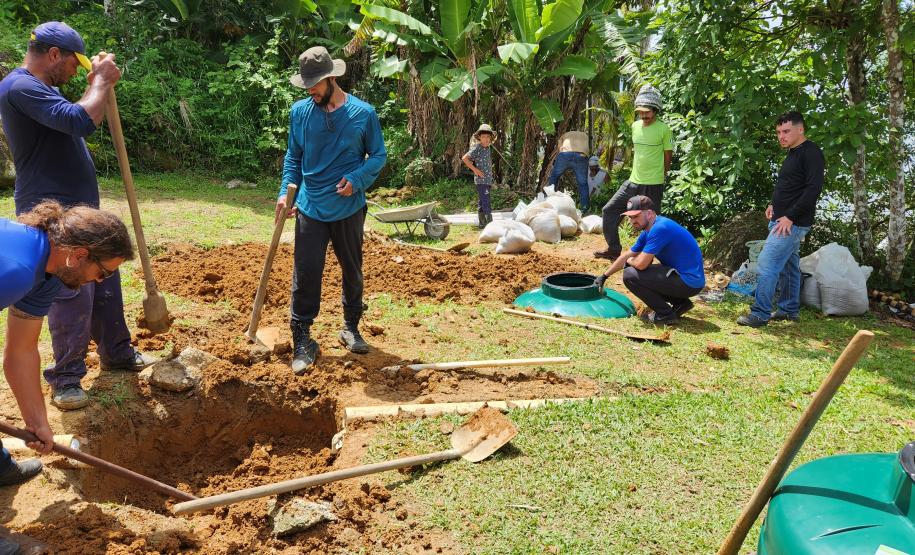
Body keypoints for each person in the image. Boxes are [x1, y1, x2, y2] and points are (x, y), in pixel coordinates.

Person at [0, 21, 155, 412]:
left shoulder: (46, 89)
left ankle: (116, 351)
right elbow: (79, 120)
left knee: (103, 275)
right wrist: (99, 79)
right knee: (69, 288)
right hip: (52, 210)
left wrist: (99, 87)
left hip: (79, 205)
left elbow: (87, 117)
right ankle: (66, 376)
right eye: (73, 64)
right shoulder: (19, 87)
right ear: (54, 55)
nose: (75, 72)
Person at [0, 202, 133, 555]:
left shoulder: (48, 275)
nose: (100, 281)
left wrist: (38, 422)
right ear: (79, 255)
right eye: (103, 272)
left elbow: (22, 352)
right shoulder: (17, 269)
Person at [278, 46, 387, 375]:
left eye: (315, 84)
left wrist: (357, 179)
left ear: (332, 78)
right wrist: (286, 192)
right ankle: (303, 340)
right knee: (306, 274)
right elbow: (293, 158)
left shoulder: (362, 113)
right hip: (310, 206)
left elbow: (378, 156)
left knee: (352, 271)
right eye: (306, 85)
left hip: (349, 207)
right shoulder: (300, 113)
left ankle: (351, 327)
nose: (310, 90)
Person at [737, 112, 824, 327]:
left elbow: (813, 189)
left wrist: (790, 217)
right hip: (781, 219)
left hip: (791, 223)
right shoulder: (793, 153)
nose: (781, 136)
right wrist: (774, 206)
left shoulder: (811, 153)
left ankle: (760, 314)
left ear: (800, 129)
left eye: (786, 131)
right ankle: (788, 310)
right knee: (789, 267)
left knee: (767, 264)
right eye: (778, 132)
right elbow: (792, 187)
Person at [595, 195, 705, 325]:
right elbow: (627, 254)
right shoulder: (648, 231)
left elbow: (641, 265)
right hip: (684, 278)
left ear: (650, 213)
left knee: (631, 275)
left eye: (636, 216)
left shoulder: (660, 228)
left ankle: (665, 315)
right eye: (630, 217)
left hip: (689, 282)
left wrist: (630, 261)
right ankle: (681, 303)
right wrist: (604, 276)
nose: (632, 221)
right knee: (639, 271)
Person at [596, 84, 673, 259]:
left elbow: (667, 154)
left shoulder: (664, 129)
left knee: (652, 223)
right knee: (609, 210)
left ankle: (650, 256)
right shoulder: (635, 126)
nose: (644, 115)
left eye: (647, 111)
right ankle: (614, 249)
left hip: (653, 183)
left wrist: (664, 174)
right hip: (633, 181)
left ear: (655, 110)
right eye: (640, 111)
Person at [461, 124, 496, 228]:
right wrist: (475, 170)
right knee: (486, 201)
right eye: (483, 137)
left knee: (482, 202)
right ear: (479, 138)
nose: (486, 139)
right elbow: (465, 158)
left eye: (488, 137)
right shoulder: (478, 148)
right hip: (481, 181)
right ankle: (490, 225)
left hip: (487, 180)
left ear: (490, 138)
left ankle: (482, 223)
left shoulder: (488, 148)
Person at [547, 130, 590, 211]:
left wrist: (563, 158)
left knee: (554, 176)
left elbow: (559, 147)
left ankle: (548, 201)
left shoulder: (565, 134)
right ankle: (584, 208)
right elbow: (588, 147)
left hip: (565, 154)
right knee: (583, 183)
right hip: (582, 155)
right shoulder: (585, 135)